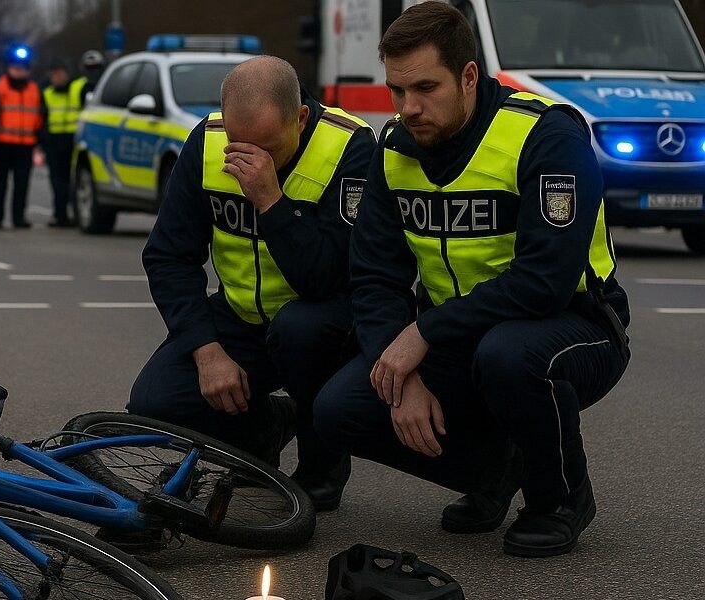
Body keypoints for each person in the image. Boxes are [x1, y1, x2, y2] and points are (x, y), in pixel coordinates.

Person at [313, 1, 630, 557]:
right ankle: (494, 471)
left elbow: (545, 281)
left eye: (426, 89)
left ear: (467, 76)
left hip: (573, 324)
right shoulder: (392, 150)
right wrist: (404, 374)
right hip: (458, 333)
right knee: (340, 409)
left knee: (508, 355)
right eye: (397, 92)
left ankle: (558, 498)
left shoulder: (546, 135)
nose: (408, 108)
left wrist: (424, 333)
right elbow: (374, 279)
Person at [129, 55, 377, 512]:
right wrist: (206, 349)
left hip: (320, 318)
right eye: (240, 145)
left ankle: (322, 466)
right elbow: (168, 256)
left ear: (300, 117)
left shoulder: (351, 147)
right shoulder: (207, 141)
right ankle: (268, 427)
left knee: (300, 329)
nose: (251, 160)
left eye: (266, 147)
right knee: (154, 401)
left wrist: (271, 202)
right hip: (241, 315)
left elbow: (330, 278)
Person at [0, 48, 43, 229]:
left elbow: (41, 116)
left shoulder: (34, 89)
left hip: (26, 145)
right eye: (15, 68)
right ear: (9, 68)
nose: (19, 71)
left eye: (22, 68)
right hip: (3, 142)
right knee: (0, 182)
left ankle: (18, 218)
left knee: (22, 184)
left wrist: (40, 141)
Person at [41, 60, 86, 227]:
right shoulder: (47, 93)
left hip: (73, 141)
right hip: (54, 142)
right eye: (54, 74)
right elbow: (43, 119)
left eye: (60, 73)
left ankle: (76, 214)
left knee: (73, 181)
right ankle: (60, 215)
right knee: (57, 181)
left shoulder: (78, 88)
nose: (57, 77)